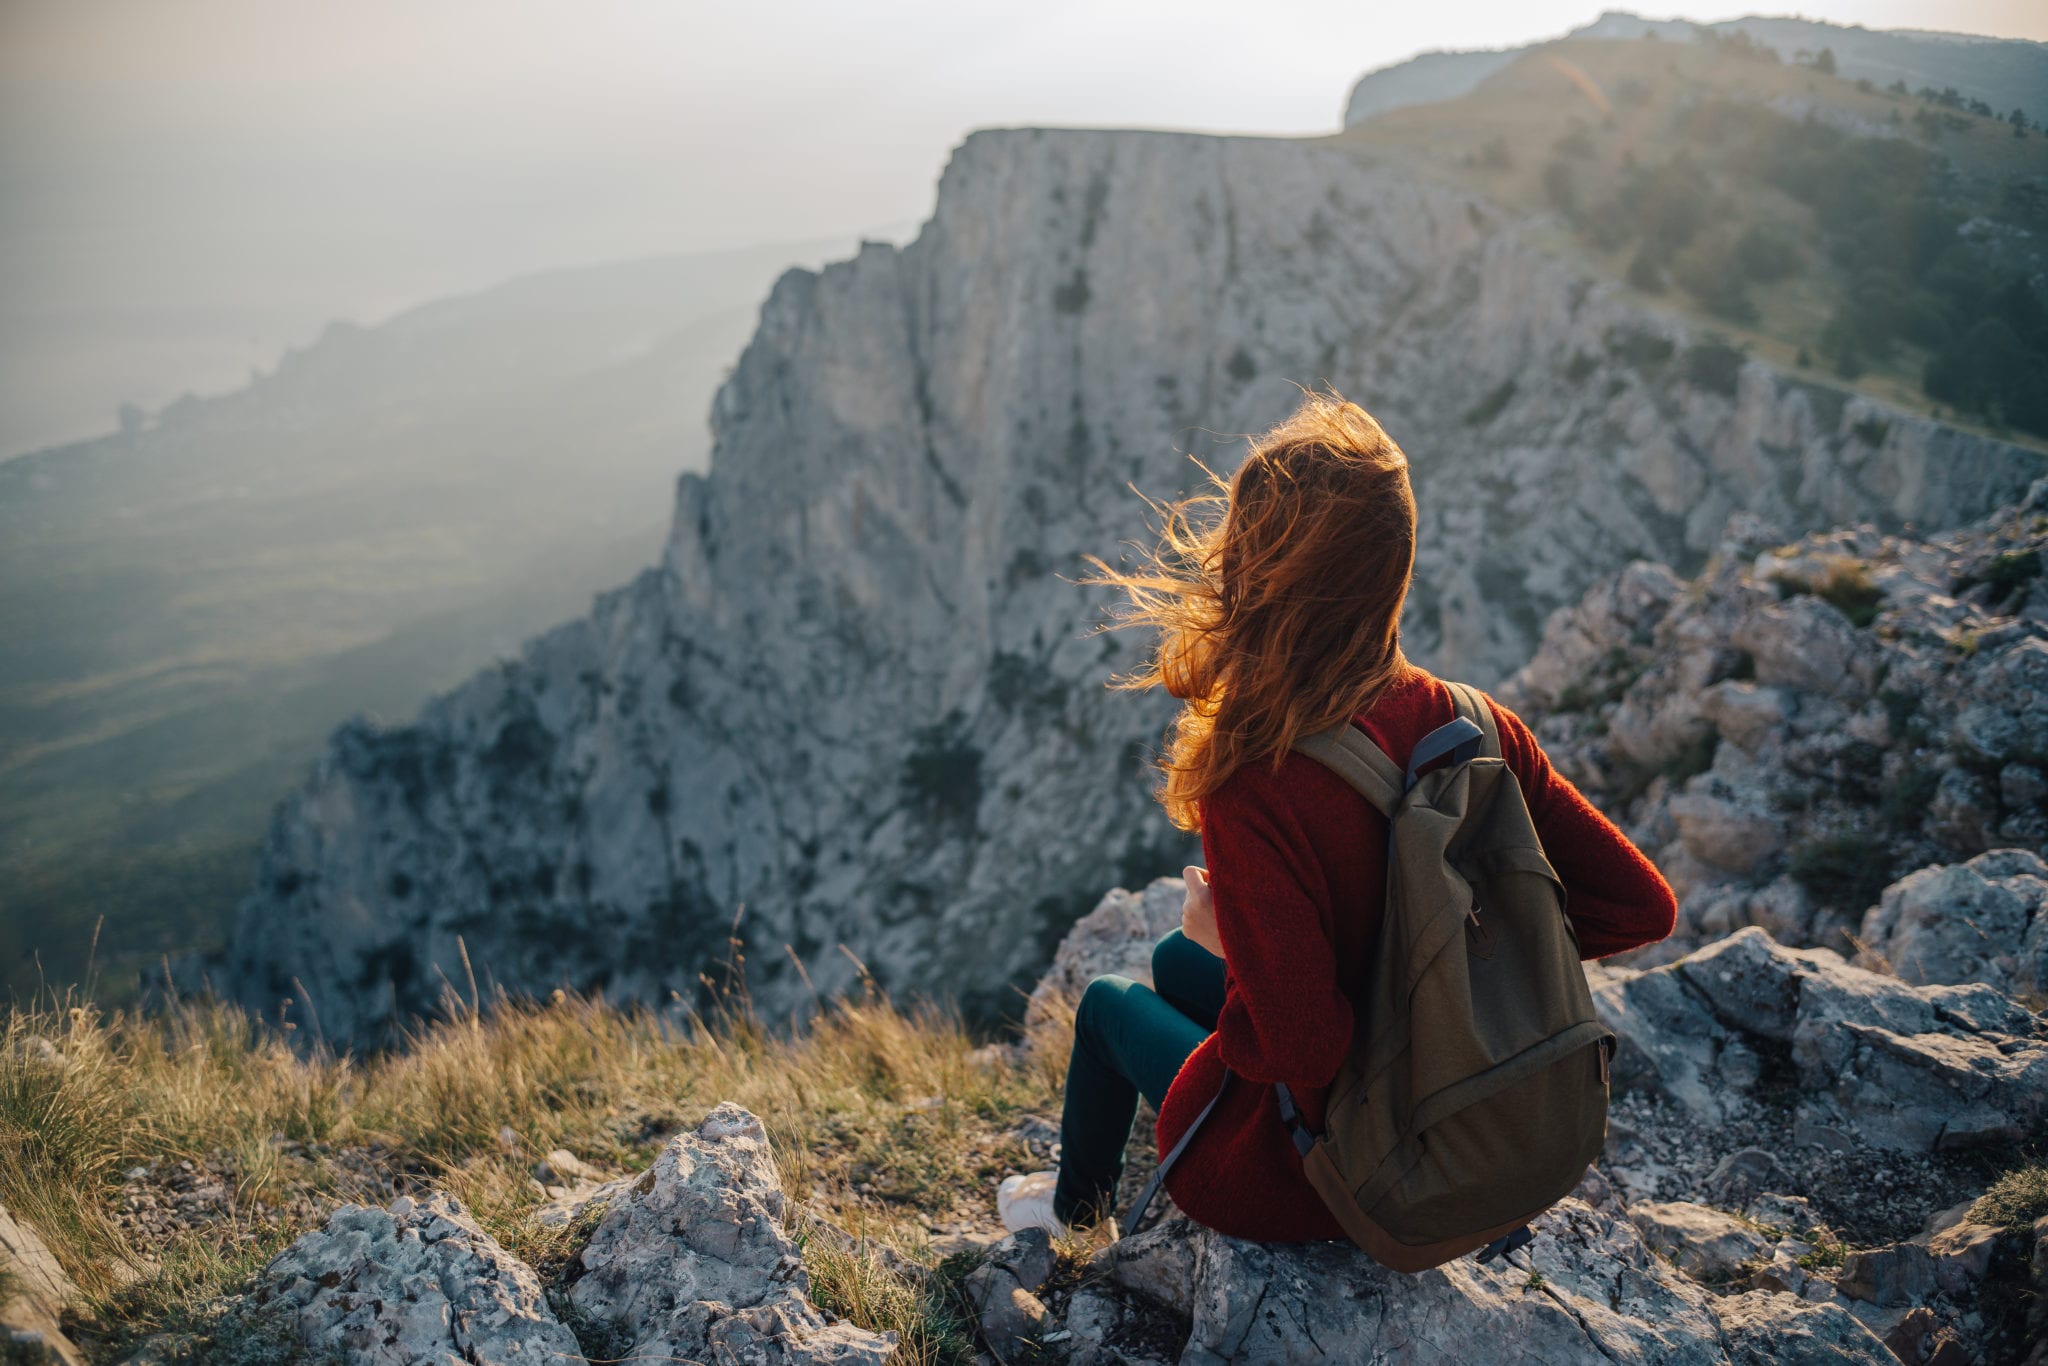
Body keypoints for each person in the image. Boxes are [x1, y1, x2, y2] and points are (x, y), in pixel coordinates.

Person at [997, 392, 1677, 1241]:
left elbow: (1302, 1050)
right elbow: (1643, 907)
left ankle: (1069, 1218)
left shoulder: (1256, 780)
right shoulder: (1476, 724)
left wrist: (1236, 942)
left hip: (1334, 1175)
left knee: (1105, 1006)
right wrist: (1464, 981)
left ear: (1258, 576)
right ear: (1392, 565)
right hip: (1459, 1105)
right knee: (1174, 962)